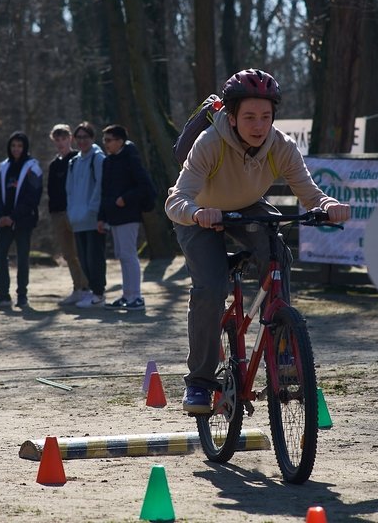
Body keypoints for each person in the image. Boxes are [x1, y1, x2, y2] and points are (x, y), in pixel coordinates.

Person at [165, 69, 351, 413]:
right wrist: (197, 213)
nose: (259, 125)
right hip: (200, 213)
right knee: (211, 288)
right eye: (249, 116)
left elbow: (311, 194)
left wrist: (328, 206)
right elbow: (175, 200)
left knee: (278, 252)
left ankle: (283, 353)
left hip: (247, 207)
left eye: (266, 116)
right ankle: (200, 382)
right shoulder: (210, 143)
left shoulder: (281, 146)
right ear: (232, 117)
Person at [97, 125, 153, 311]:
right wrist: (101, 217)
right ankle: (127, 295)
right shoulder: (108, 161)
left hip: (129, 215)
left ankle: (136, 296)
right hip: (113, 216)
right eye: (104, 140)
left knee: (129, 255)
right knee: (122, 255)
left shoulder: (131, 158)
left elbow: (144, 186)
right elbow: (105, 192)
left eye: (109, 140)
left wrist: (125, 199)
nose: (105, 144)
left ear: (120, 141)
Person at [0, 131, 43, 308]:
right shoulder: (3, 167)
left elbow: (33, 197)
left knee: (22, 258)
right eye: (13, 146)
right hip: (4, 221)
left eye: (20, 146)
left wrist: (13, 217)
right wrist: (0, 216)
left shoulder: (33, 167)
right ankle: (3, 295)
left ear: (25, 147)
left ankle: (22, 295)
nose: (16, 149)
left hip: (23, 221)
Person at [65, 122, 106, 308]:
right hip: (77, 219)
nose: (82, 141)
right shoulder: (73, 162)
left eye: (86, 137)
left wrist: (93, 210)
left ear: (92, 138)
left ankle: (99, 294)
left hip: (93, 219)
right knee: (83, 259)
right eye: (79, 137)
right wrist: (71, 212)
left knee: (94, 258)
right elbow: (69, 190)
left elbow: (100, 187)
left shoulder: (98, 158)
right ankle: (92, 292)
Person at [47, 124, 88, 306]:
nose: (60, 143)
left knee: (80, 252)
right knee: (68, 254)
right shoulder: (54, 164)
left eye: (64, 139)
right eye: (57, 139)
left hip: (75, 212)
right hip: (57, 214)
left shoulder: (77, 159)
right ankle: (77, 288)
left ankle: (87, 288)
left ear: (70, 139)